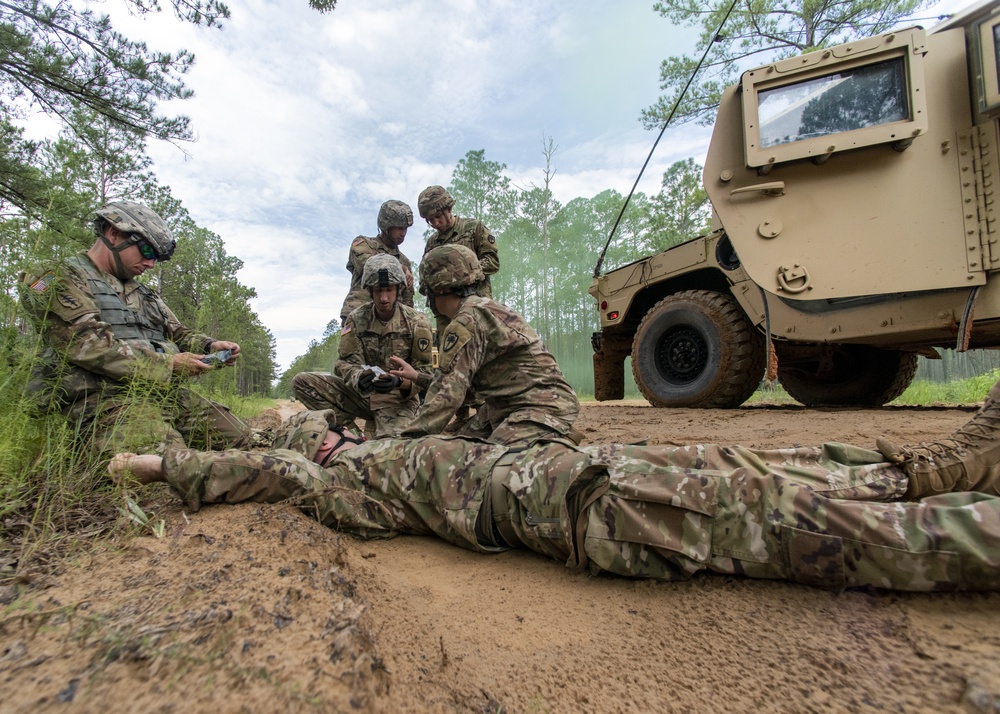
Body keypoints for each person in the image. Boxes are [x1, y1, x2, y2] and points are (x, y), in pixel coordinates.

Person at [111, 380, 1000, 592]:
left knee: (758, 475)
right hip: (588, 508)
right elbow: (278, 468)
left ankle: (943, 467)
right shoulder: (347, 485)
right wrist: (168, 465)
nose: (328, 433)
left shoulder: (376, 454)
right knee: (789, 515)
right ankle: (969, 519)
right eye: (317, 432)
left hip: (583, 482)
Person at [19, 201, 264, 454]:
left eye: (156, 257)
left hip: (160, 395)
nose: (151, 263)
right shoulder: (52, 276)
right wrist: (169, 364)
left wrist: (210, 345)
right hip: (102, 400)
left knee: (244, 441)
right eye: (146, 250)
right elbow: (87, 344)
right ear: (113, 233)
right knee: (170, 465)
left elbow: (177, 332)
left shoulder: (144, 293)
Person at [389, 244, 579, 446]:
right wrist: (418, 377)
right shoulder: (483, 308)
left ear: (438, 290)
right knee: (458, 446)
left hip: (540, 406)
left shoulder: (465, 322)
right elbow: (459, 385)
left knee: (477, 465)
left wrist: (402, 447)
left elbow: (445, 399)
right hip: (509, 404)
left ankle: (553, 448)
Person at [293, 255, 434, 438]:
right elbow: (344, 364)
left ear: (398, 289)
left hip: (398, 401)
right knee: (302, 382)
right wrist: (358, 377)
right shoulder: (356, 319)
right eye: (378, 291)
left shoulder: (418, 322)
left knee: (393, 450)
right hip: (362, 396)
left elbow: (425, 373)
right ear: (369, 291)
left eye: (389, 290)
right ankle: (350, 434)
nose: (384, 297)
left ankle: (379, 435)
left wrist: (401, 382)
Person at [340, 200, 415, 324]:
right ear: (386, 226)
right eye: (399, 228)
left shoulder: (404, 261)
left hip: (391, 323)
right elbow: (370, 265)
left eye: (405, 229)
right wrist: (401, 269)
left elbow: (407, 299)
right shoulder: (363, 244)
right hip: (359, 316)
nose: (403, 233)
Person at [418, 186, 498, 300]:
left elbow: (492, 262)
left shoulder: (474, 228)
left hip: (475, 304)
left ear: (449, 209)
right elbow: (424, 281)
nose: (435, 223)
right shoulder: (431, 243)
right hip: (445, 311)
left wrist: (461, 275)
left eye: (438, 216)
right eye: (430, 220)